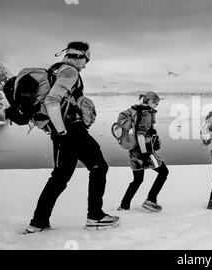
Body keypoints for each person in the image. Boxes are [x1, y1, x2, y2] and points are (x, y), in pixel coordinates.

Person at [24, 41, 119, 234]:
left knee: (60, 177)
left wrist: (57, 131)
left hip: (63, 132)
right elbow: (52, 100)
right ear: (81, 56)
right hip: (71, 130)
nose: (85, 65)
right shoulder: (70, 72)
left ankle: (39, 222)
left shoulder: (56, 70)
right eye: (86, 60)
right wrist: (62, 131)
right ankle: (95, 216)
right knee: (99, 166)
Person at [118, 91, 169, 212]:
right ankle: (151, 200)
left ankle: (124, 206)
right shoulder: (146, 114)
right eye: (156, 103)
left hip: (134, 151)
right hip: (144, 151)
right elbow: (141, 134)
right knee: (163, 172)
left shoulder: (136, 110)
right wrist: (146, 154)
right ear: (151, 102)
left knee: (137, 180)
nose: (156, 106)